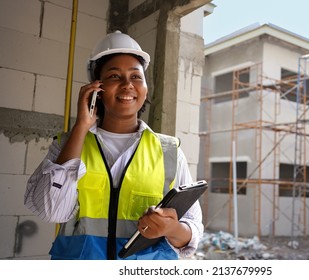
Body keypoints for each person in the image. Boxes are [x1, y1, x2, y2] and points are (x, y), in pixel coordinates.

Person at [24, 30, 204, 260]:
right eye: (115, 76)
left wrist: (172, 229)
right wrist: (81, 126)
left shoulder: (169, 151)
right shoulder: (68, 145)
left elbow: (193, 230)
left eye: (136, 76)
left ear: (146, 88)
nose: (128, 85)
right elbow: (52, 211)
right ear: (96, 88)